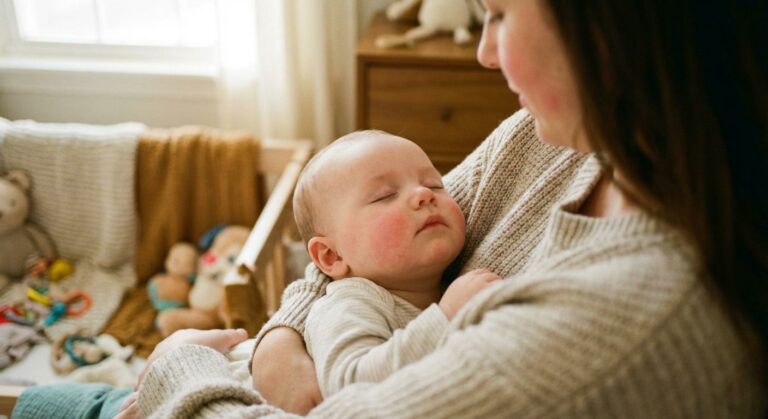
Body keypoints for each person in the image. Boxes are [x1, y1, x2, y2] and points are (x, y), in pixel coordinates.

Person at [15, 0, 765, 417]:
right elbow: (351, 255)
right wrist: (281, 334)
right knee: (46, 399)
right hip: (228, 386)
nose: (483, 53)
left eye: (499, 13)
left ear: (608, 27)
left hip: (197, 393)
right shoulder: (567, 139)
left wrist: (177, 361)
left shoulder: (613, 331)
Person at [287, 129, 501, 397]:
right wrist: (445, 318)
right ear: (332, 256)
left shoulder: (450, 280)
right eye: (385, 196)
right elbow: (349, 385)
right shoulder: (347, 306)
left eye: (435, 184)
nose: (424, 194)